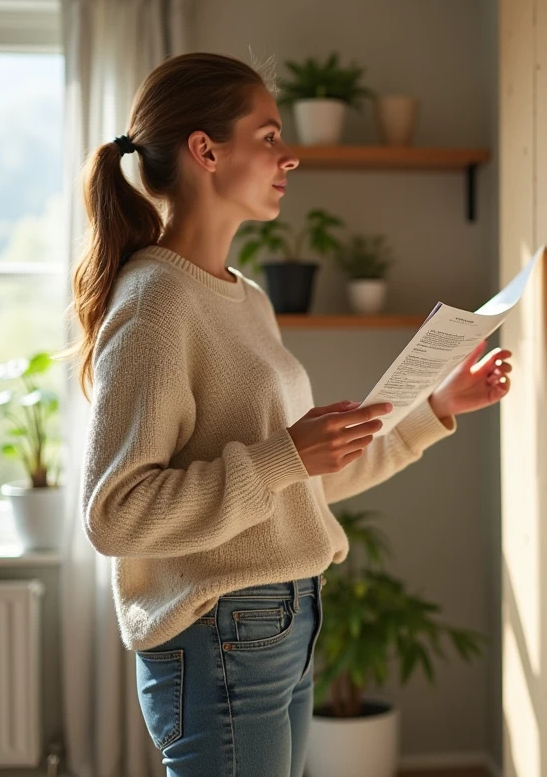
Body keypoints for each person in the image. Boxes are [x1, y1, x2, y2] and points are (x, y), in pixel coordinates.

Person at [70, 52, 513, 777]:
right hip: (219, 635)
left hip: (283, 621)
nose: (290, 156)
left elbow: (294, 483)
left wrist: (436, 408)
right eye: (268, 135)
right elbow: (115, 515)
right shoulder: (156, 302)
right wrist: (285, 457)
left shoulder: (244, 298)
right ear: (205, 151)